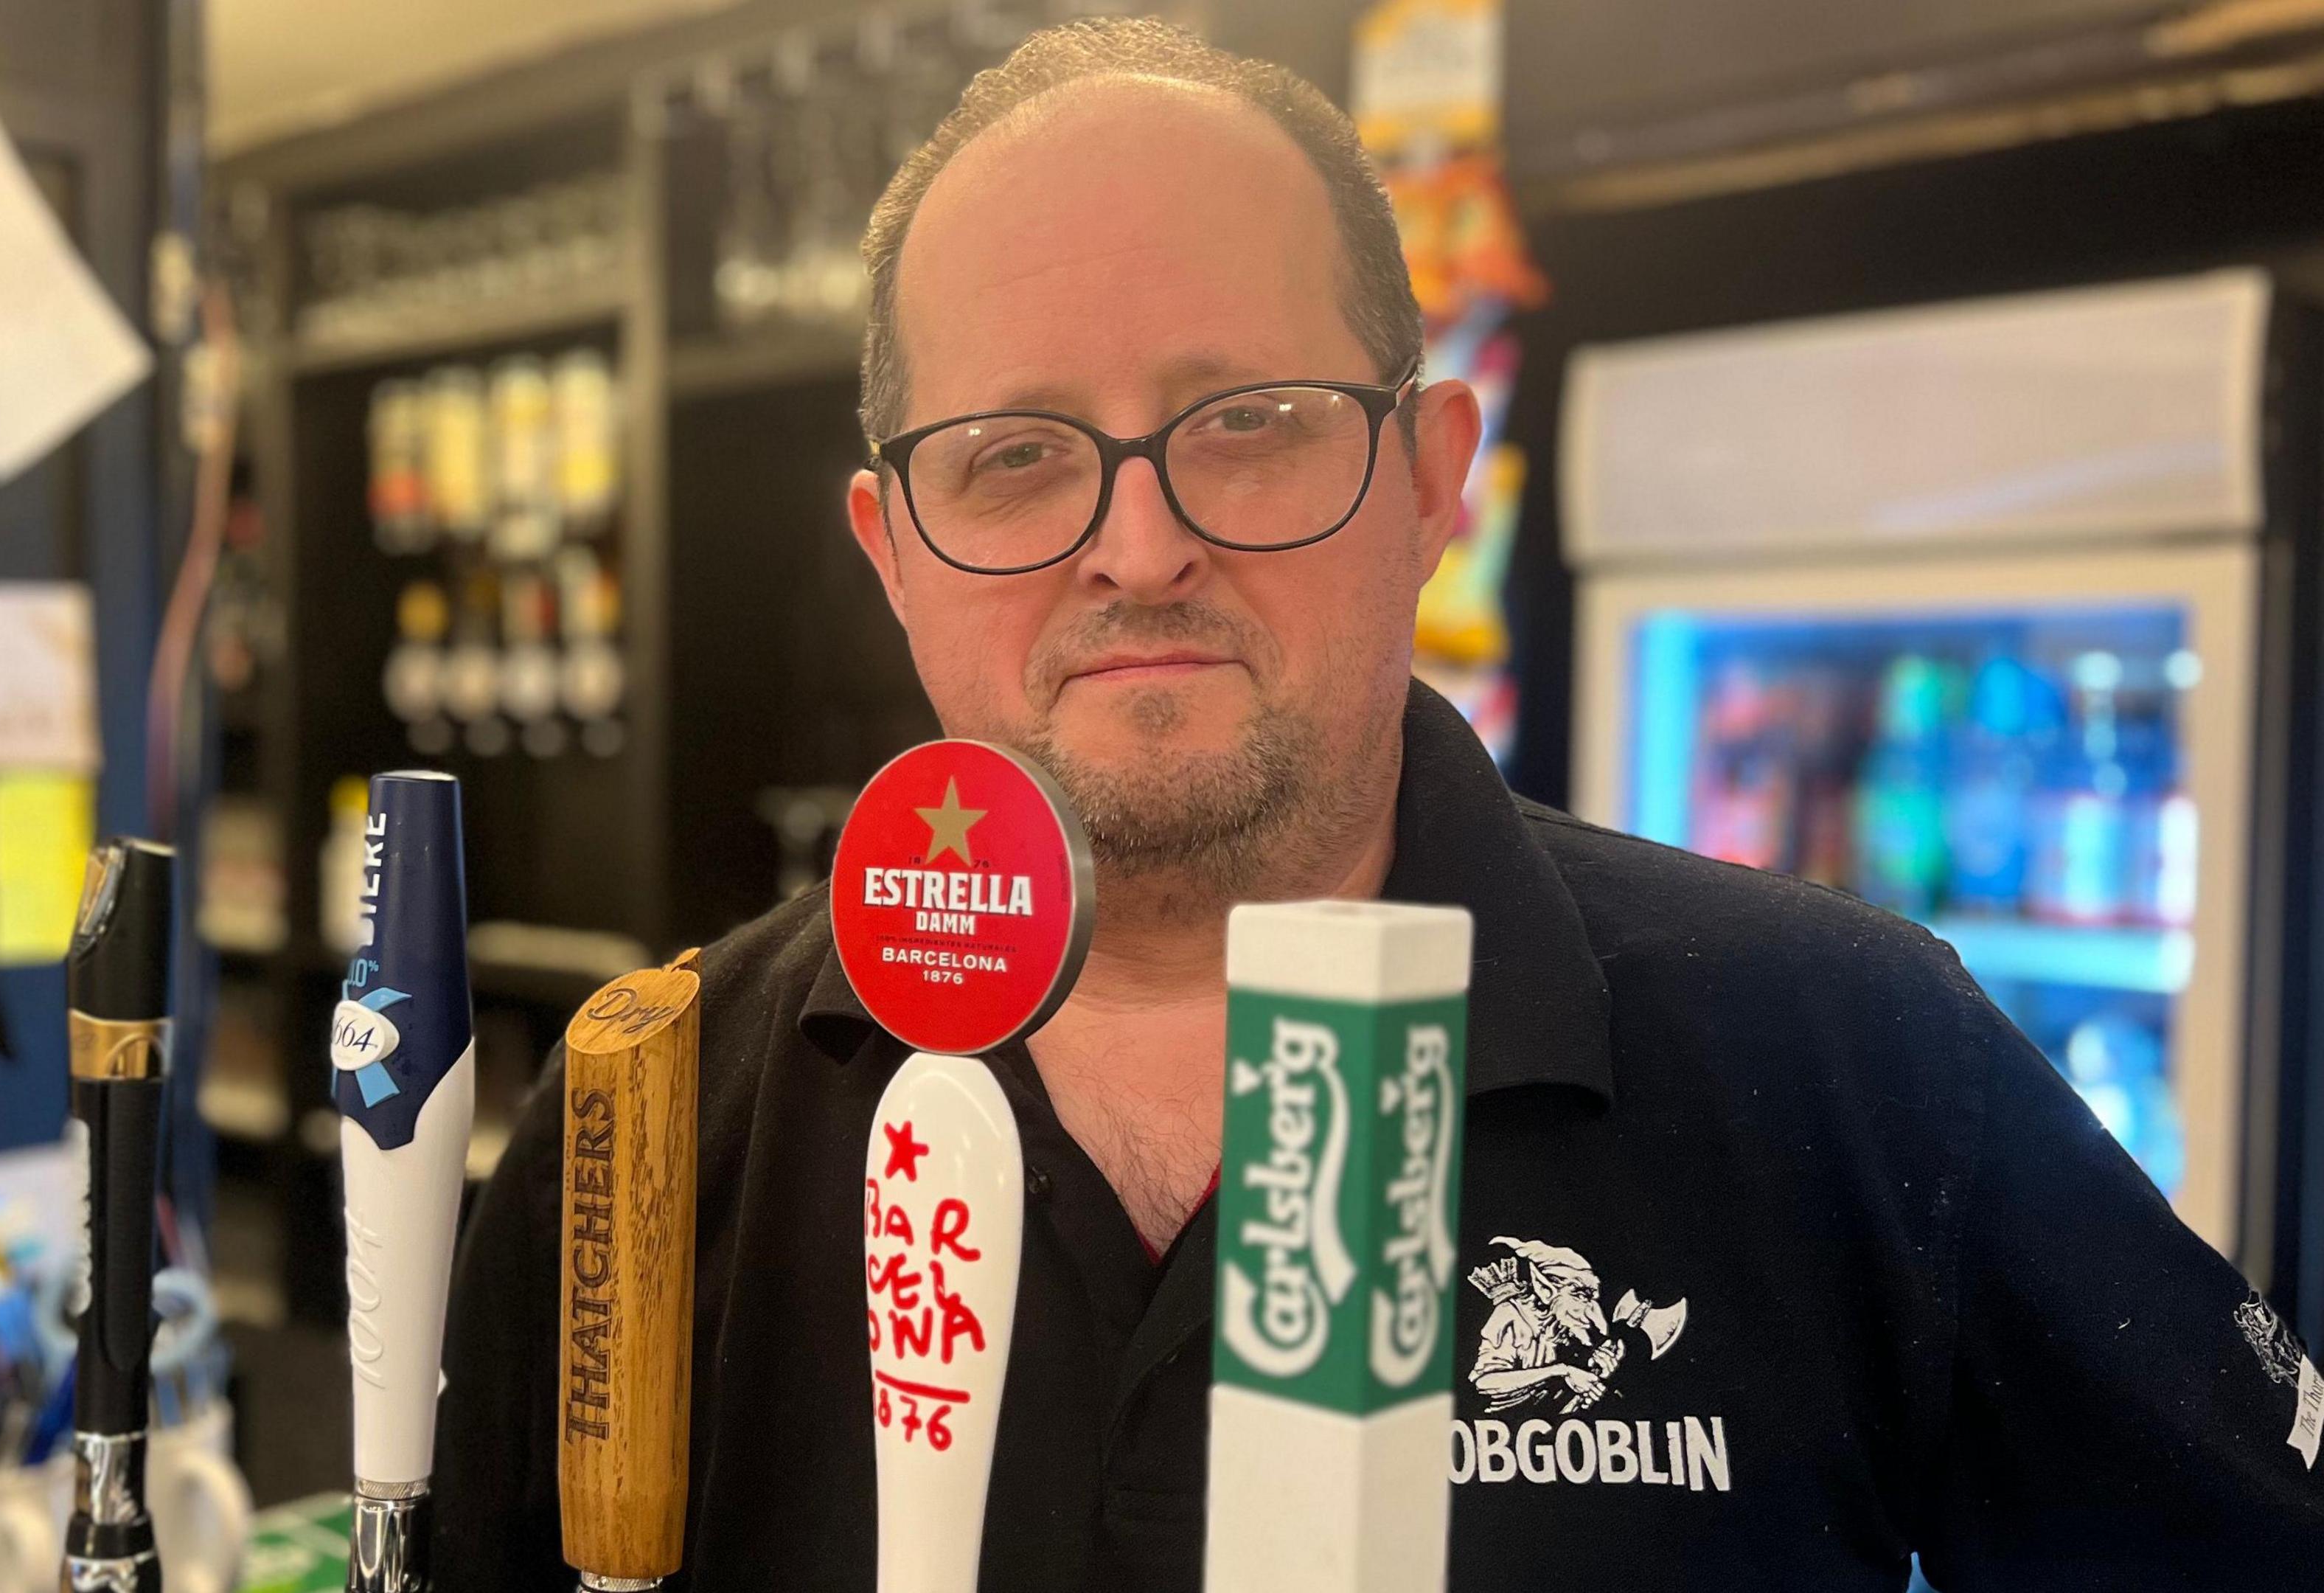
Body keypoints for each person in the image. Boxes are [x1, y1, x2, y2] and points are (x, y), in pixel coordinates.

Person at [434, 18, 2324, 1589]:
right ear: (895, 552)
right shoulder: (652, 1129)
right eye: (1014, 459)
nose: (1139, 545)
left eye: (1247, 420)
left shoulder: (1852, 1064)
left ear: (1433, 481)